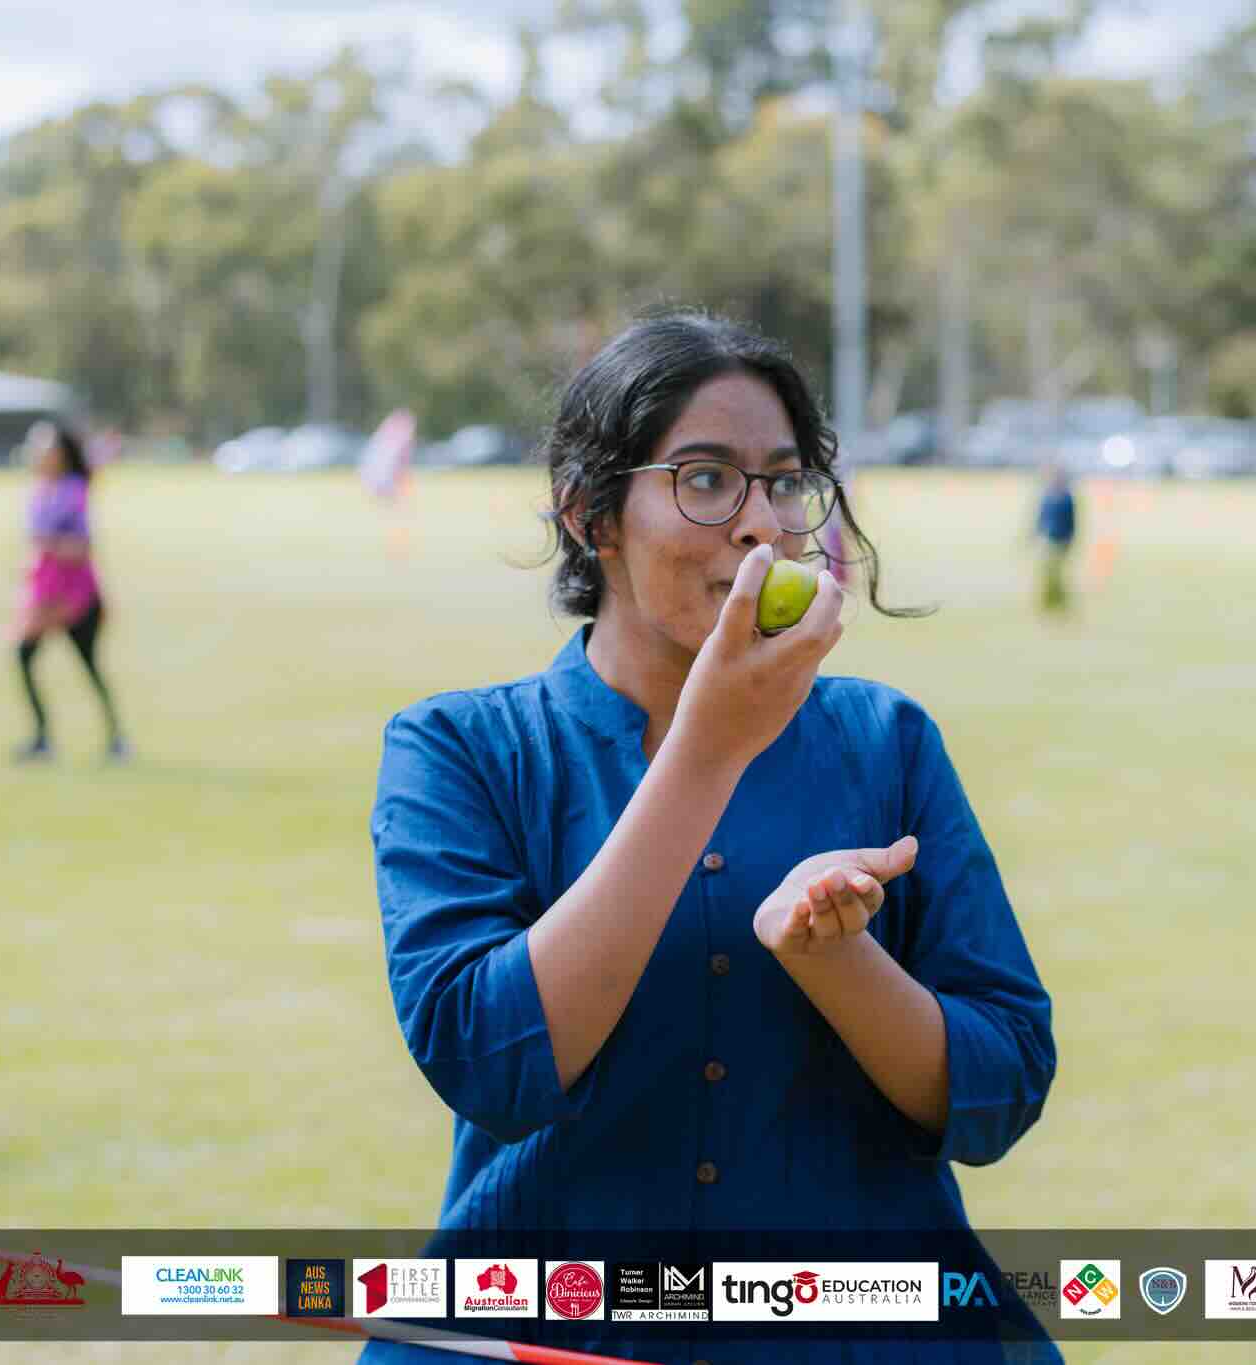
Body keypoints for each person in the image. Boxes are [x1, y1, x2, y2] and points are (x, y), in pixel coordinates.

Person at [365, 313, 1057, 1364]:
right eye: (703, 478)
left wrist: (840, 962)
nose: (759, 525)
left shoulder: (885, 741)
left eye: (783, 481)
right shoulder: (461, 750)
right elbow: (490, 1063)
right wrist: (703, 757)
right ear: (589, 512)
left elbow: (1000, 1088)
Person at [12, 420, 128, 762]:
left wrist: (48, 545)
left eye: (44, 448)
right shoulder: (40, 490)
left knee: (88, 667)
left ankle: (116, 739)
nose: (38, 454)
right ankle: (42, 737)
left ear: (60, 454)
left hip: (75, 595)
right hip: (45, 592)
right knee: (24, 657)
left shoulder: (72, 492)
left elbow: (82, 548)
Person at [1033, 463, 1076, 613]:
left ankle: (1057, 600)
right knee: (1049, 570)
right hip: (1049, 538)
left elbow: (1072, 520)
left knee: (1055, 571)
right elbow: (1041, 517)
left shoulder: (1066, 497)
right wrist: (1035, 533)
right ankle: (1050, 600)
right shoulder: (1048, 495)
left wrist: (1070, 538)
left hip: (1062, 539)